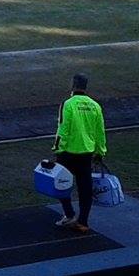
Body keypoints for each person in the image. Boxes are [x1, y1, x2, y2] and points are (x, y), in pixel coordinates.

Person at [52, 74, 107, 233]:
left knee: (60, 184)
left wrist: (57, 148)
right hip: (86, 153)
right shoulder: (95, 105)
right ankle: (83, 222)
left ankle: (69, 214)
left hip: (68, 152)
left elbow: (63, 128)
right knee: (85, 187)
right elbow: (100, 132)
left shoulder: (68, 104)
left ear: (73, 85)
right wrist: (100, 151)